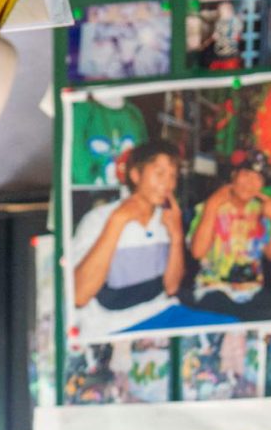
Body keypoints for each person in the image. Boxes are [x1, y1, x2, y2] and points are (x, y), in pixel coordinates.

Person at [70, 141, 185, 341]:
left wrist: (176, 237)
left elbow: (172, 287)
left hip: (160, 315)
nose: (168, 184)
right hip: (110, 328)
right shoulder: (99, 219)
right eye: (159, 173)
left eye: (173, 176)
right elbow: (79, 296)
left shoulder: (166, 219)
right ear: (135, 175)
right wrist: (117, 222)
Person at [188, 149, 271, 317]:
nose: (250, 182)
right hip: (213, 288)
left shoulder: (260, 210)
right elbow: (198, 252)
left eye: (258, 178)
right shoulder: (210, 206)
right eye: (246, 173)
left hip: (253, 291)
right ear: (234, 175)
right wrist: (211, 206)